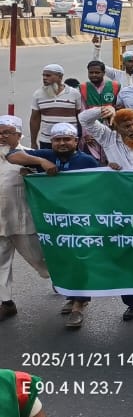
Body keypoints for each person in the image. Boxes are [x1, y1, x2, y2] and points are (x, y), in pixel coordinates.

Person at [4, 123, 101, 328]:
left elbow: (104, 183)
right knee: (61, 259)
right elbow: (12, 155)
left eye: (67, 139)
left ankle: (78, 307)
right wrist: (40, 162)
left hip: (80, 222)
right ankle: (71, 295)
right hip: (53, 223)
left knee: (79, 260)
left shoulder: (86, 160)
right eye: (57, 139)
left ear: (76, 141)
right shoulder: (47, 155)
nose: (62, 143)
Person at [0, 116, 50, 323]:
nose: (1, 136)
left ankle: (64, 281)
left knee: (41, 262)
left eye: (6, 132)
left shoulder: (29, 156)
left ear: (18, 135)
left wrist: (37, 166)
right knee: (1, 263)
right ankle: (6, 303)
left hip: (22, 223)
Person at [30, 65, 82, 149]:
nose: (44, 78)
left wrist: (81, 137)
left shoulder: (74, 93)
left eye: (48, 75)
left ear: (60, 77)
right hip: (47, 141)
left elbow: (80, 116)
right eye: (43, 75)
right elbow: (35, 119)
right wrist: (33, 142)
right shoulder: (38, 94)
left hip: (69, 140)